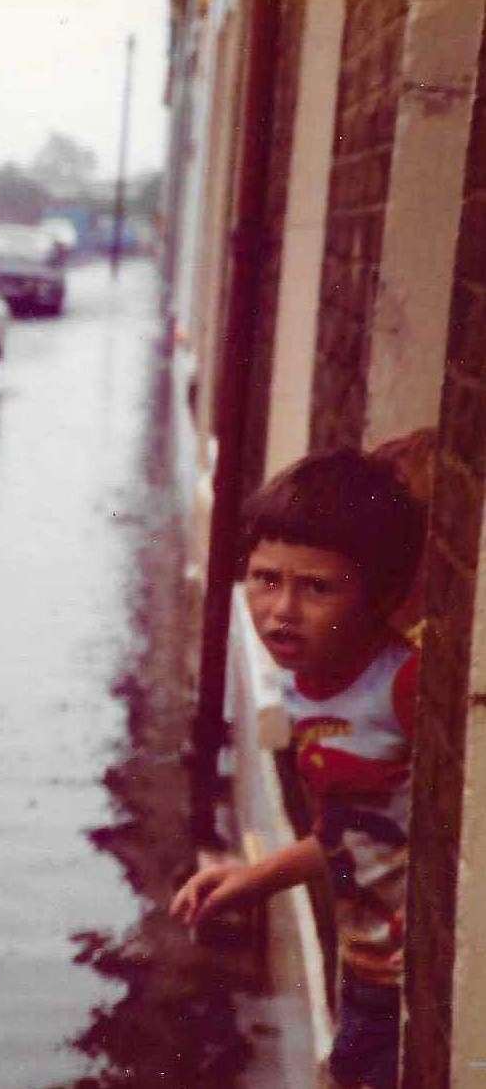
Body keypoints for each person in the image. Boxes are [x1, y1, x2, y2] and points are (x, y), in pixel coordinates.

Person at [171, 447, 426, 1089]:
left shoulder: (407, 688)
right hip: (365, 968)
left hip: (410, 988)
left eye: (317, 587)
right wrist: (256, 877)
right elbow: (356, 838)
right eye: (265, 578)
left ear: (382, 595)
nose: (281, 610)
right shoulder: (306, 682)